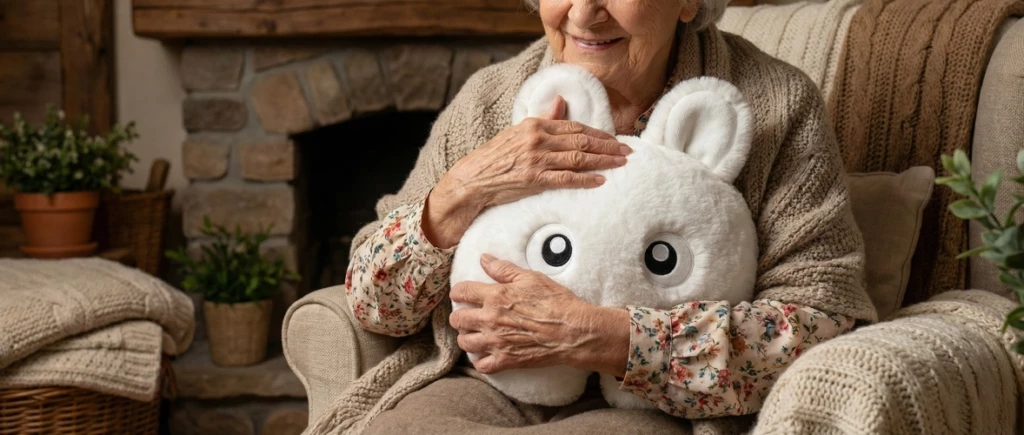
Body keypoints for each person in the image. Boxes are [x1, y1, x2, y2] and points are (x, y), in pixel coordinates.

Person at [339, 0, 878, 433]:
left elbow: (816, 329)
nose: (582, 13)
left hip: (663, 408)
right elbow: (372, 304)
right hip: (485, 387)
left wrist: (605, 338)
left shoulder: (774, 105)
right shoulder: (492, 98)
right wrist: (461, 190)